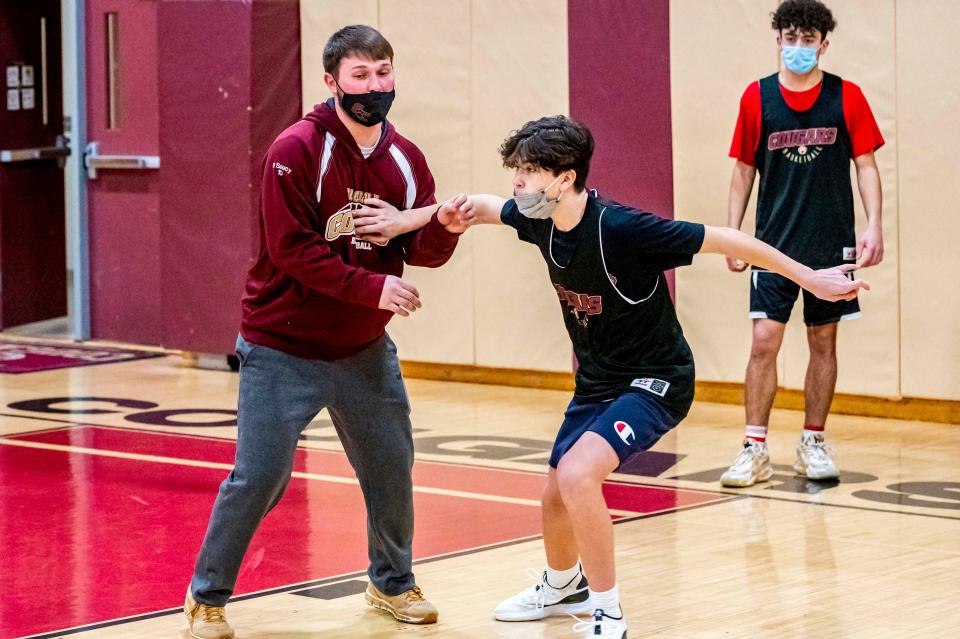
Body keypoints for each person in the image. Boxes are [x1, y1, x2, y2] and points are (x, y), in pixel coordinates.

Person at [452, 115, 867, 639]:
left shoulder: (624, 230)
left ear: (565, 178)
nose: (517, 182)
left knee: (579, 477)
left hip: (657, 380)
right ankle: (562, 587)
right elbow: (484, 206)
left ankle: (608, 613)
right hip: (598, 382)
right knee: (556, 492)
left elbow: (727, 240)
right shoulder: (540, 219)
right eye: (516, 169)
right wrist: (407, 220)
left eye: (529, 171)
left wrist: (810, 278)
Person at [183, 25, 467, 639]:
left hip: (363, 349)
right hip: (282, 346)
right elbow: (291, 250)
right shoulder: (297, 149)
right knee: (261, 476)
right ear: (332, 81)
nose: (375, 85)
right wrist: (373, 288)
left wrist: (443, 226)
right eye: (361, 75)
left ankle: (392, 584)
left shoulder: (406, 159)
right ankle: (206, 599)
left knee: (392, 467)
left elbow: (421, 250)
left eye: (384, 72)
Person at [721, 0, 885, 488]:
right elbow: (742, 171)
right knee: (763, 341)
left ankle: (813, 441)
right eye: (789, 38)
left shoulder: (847, 97)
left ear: (823, 45)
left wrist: (874, 224)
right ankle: (754, 448)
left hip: (831, 243)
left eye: (807, 40)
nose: (798, 48)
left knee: (823, 340)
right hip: (773, 245)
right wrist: (732, 234)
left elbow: (867, 166)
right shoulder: (757, 98)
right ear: (778, 41)